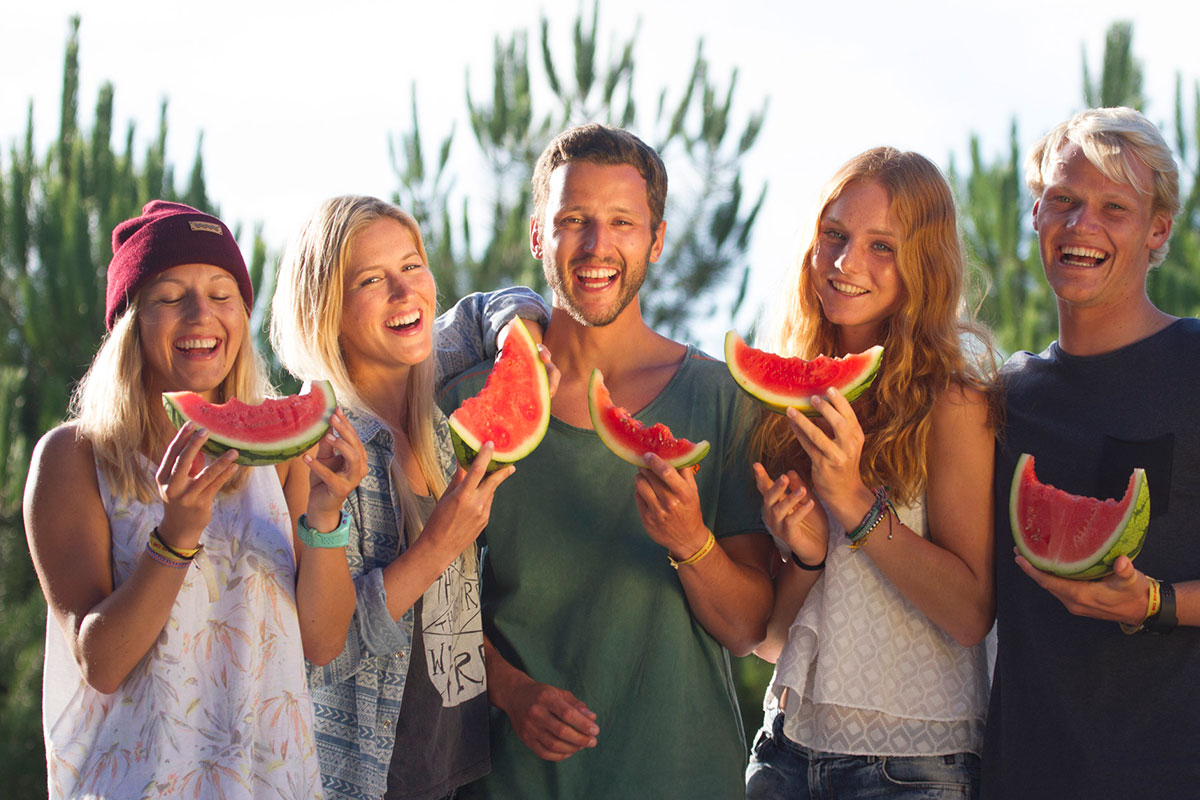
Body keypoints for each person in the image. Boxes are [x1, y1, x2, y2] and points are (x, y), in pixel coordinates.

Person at [438, 123, 775, 800]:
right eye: (573, 220)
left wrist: (692, 543)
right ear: (539, 235)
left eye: (623, 222)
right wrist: (508, 689)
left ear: (656, 239)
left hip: (685, 779)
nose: (597, 246)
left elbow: (748, 629)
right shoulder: (465, 406)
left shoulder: (723, 399)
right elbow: (429, 618)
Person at [23, 200, 368, 798]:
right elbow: (100, 664)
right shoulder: (74, 458)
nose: (200, 313)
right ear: (131, 320)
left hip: (271, 783)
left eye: (221, 293)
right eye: (170, 296)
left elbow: (322, 642)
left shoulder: (279, 457)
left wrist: (325, 516)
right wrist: (174, 538)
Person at [270, 194, 552, 800]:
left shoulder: (432, 398)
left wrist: (517, 344)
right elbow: (326, 650)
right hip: (368, 778)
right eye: (372, 280)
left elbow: (490, 306)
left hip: (457, 770)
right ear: (327, 310)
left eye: (413, 267)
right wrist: (439, 542)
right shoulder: (320, 446)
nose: (406, 294)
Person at [743, 148, 997, 799]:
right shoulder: (787, 406)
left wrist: (854, 503)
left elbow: (971, 614)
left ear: (924, 264)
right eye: (834, 235)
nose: (845, 262)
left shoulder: (954, 399)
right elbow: (771, 641)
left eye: (881, 245)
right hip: (787, 750)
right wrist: (804, 556)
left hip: (914, 765)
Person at [983, 107, 1200, 798]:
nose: (1082, 226)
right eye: (1065, 201)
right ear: (1037, 214)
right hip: (1023, 773)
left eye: (1115, 208)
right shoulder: (1001, 395)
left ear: (1158, 230)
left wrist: (1157, 603)